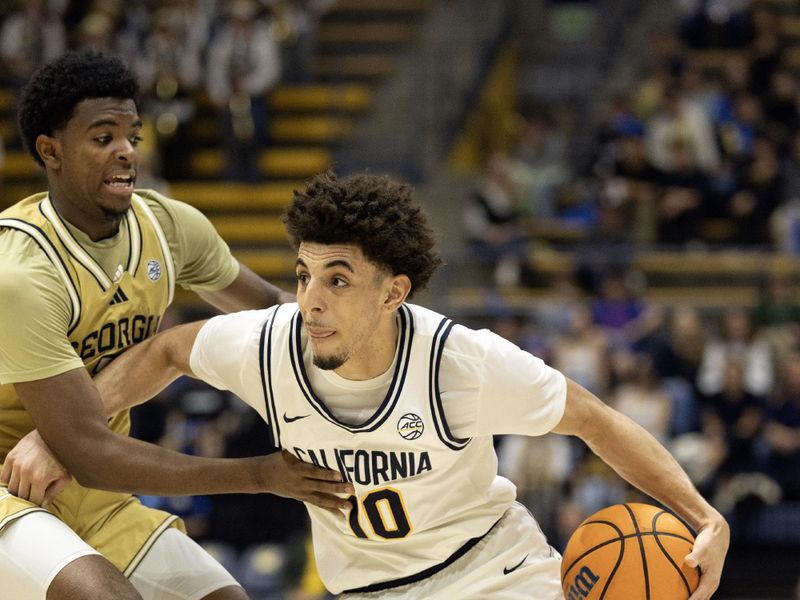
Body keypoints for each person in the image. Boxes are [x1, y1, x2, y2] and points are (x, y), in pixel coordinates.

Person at [11, 171, 730, 599]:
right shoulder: (268, 344)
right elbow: (165, 352)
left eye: (338, 280)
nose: (310, 300)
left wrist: (702, 516)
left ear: (394, 293)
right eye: (302, 275)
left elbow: (596, 421)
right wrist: (62, 433)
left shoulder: (459, 361)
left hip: (491, 572)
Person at [0, 50, 352, 600]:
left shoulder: (167, 226)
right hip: (10, 490)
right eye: (102, 138)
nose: (126, 152)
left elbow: (273, 314)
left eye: (132, 136)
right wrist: (260, 475)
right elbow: (89, 452)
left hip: (95, 496)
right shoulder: (20, 274)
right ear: (51, 151)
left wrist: (368, 331)